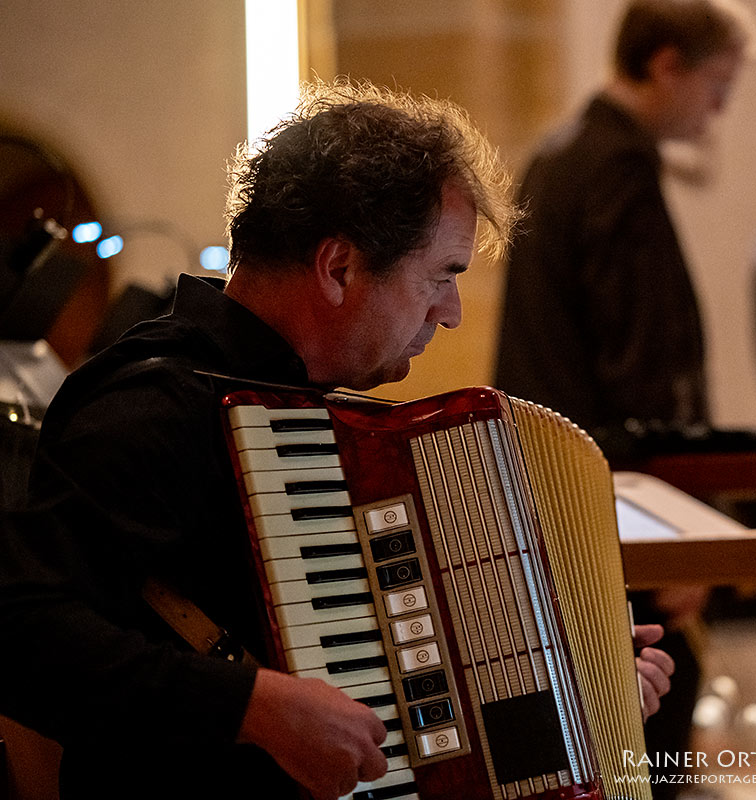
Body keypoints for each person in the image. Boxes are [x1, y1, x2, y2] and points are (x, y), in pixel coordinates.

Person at [0, 79, 673, 800]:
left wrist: (577, 691)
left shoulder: (345, 431)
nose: (450, 312)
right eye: (441, 275)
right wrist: (251, 709)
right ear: (339, 267)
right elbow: (20, 631)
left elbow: (415, 691)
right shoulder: (153, 406)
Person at [493, 3, 756, 795]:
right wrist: (681, 537)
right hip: (617, 507)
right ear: (666, 64)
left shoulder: (563, 151)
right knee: (639, 753)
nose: (721, 108)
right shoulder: (616, 167)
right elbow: (645, 367)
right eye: (717, 84)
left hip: (556, 487)